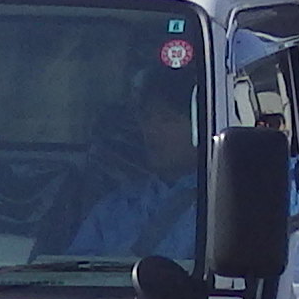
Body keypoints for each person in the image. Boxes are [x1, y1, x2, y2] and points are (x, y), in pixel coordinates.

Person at [61, 96, 201, 261]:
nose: (151, 131)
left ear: (199, 129)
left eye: (167, 119)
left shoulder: (217, 207)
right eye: (146, 119)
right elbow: (76, 269)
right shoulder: (115, 207)